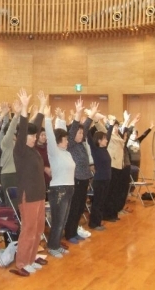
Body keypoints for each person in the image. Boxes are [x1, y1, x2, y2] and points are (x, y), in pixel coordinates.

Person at [12, 89, 48, 276]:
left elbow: (36, 125)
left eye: (35, 136)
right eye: (32, 136)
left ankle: (32, 257)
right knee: (29, 230)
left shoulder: (33, 150)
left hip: (39, 195)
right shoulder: (21, 151)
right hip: (28, 196)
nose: (35, 138)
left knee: (39, 228)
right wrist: (25, 108)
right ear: (22, 137)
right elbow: (26, 126)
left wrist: (42, 107)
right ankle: (21, 263)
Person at [44, 105, 75, 257]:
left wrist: (61, 119)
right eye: (65, 139)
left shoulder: (66, 153)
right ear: (59, 141)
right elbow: (51, 136)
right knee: (58, 220)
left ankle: (56, 244)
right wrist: (48, 118)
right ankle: (52, 246)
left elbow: (60, 133)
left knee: (63, 220)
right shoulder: (54, 152)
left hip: (69, 189)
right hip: (59, 190)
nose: (67, 141)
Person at [65, 98, 93, 243]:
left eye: (82, 134)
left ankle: (75, 230)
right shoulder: (71, 145)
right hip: (75, 180)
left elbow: (85, 128)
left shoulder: (81, 144)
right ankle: (69, 233)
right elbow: (74, 130)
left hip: (84, 179)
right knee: (74, 207)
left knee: (81, 207)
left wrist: (91, 117)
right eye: (79, 133)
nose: (81, 135)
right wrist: (77, 114)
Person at [85, 103, 111, 231]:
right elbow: (88, 136)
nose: (106, 140)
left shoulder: (104, 148)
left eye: (106, 139)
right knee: (97, 202)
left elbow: (110, 134)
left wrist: (109, 124)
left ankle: (99, 222)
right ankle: (93, 224)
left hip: (106, 179)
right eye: (104, 139)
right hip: (99, 180)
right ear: (99, 140)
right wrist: (91, 118)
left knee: (102, 202)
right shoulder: (95, 149)